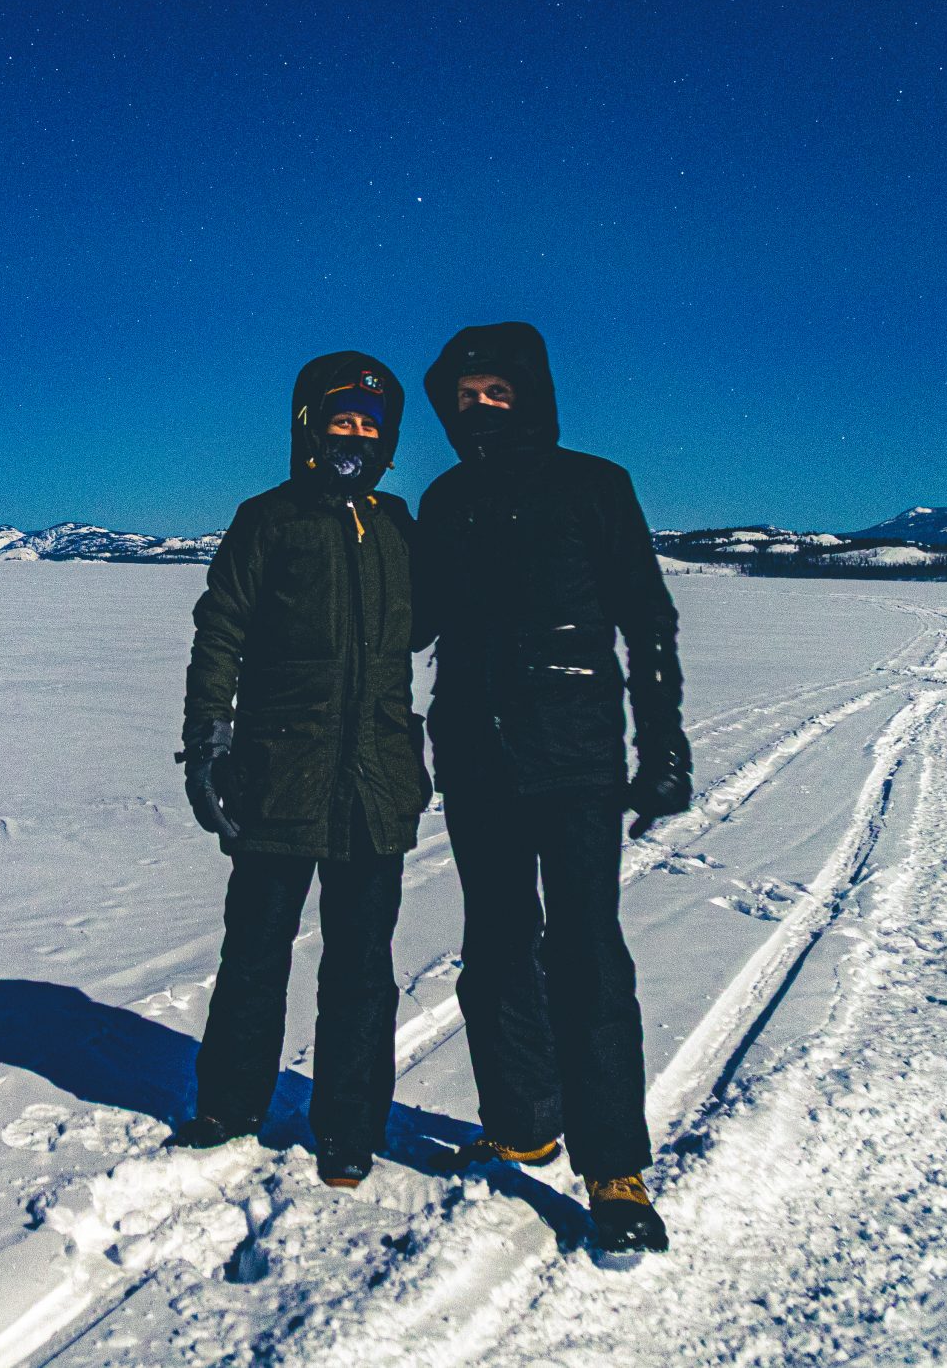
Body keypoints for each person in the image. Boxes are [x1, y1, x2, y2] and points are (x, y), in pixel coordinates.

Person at [412, 322, 691, 1254]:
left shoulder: (594, 485)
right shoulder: (447, 499)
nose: (480, 408)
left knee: (585, 952)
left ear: (530, 394)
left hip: (574, 753)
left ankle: (614, 1169)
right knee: (495, 943)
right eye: (465, 397)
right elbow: (415, 622)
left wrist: (663, 742)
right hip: (474, 751)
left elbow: (647, 620)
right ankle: (523, 1122)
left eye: (497, 392)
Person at [168, 351, 430, 1189]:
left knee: (362, 964)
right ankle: (228, 1104)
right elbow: (221, 630)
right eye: (342, 420)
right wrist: (209, 738)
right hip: (278, 772)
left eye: (371, 426)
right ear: (309, 427)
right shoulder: (268, 519)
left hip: (375, 779)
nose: (356, 436)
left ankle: (349, 1126)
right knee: (254, 951)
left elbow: (432, 623)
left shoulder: (399, 527)